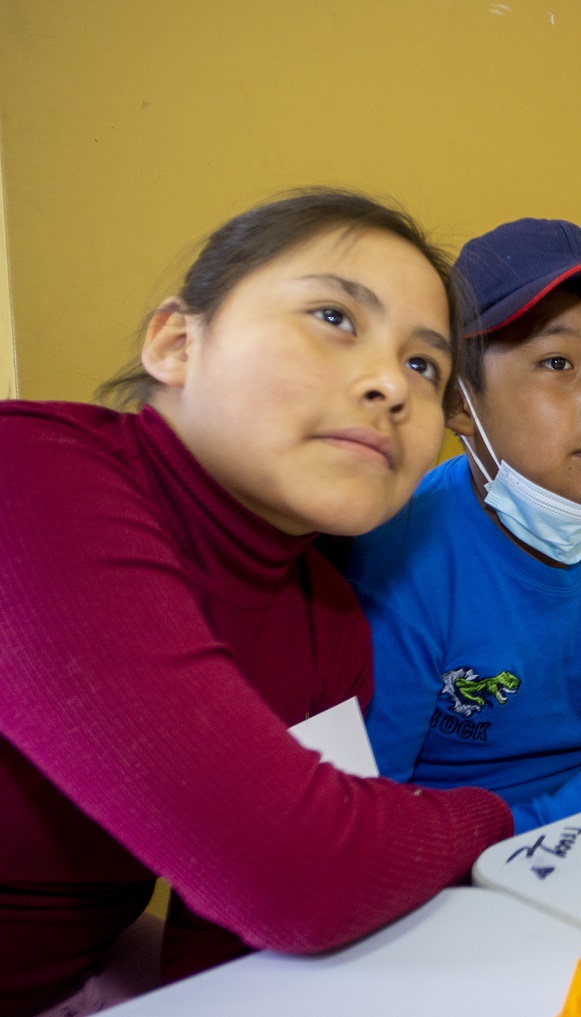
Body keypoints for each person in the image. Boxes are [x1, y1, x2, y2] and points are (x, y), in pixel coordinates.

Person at [0, 190, 520, 1016]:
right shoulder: (28, 474)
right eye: (333, 317)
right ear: (176, 342)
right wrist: (490, 815)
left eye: (425, 365)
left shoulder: (329, 619)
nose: (391, 384)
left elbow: (242, 936)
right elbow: (296, 870)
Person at [345, 218, 581, 832]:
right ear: (459, 401)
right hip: (455, 884)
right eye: (558, 360)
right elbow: (365, 834)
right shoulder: (397, 565)